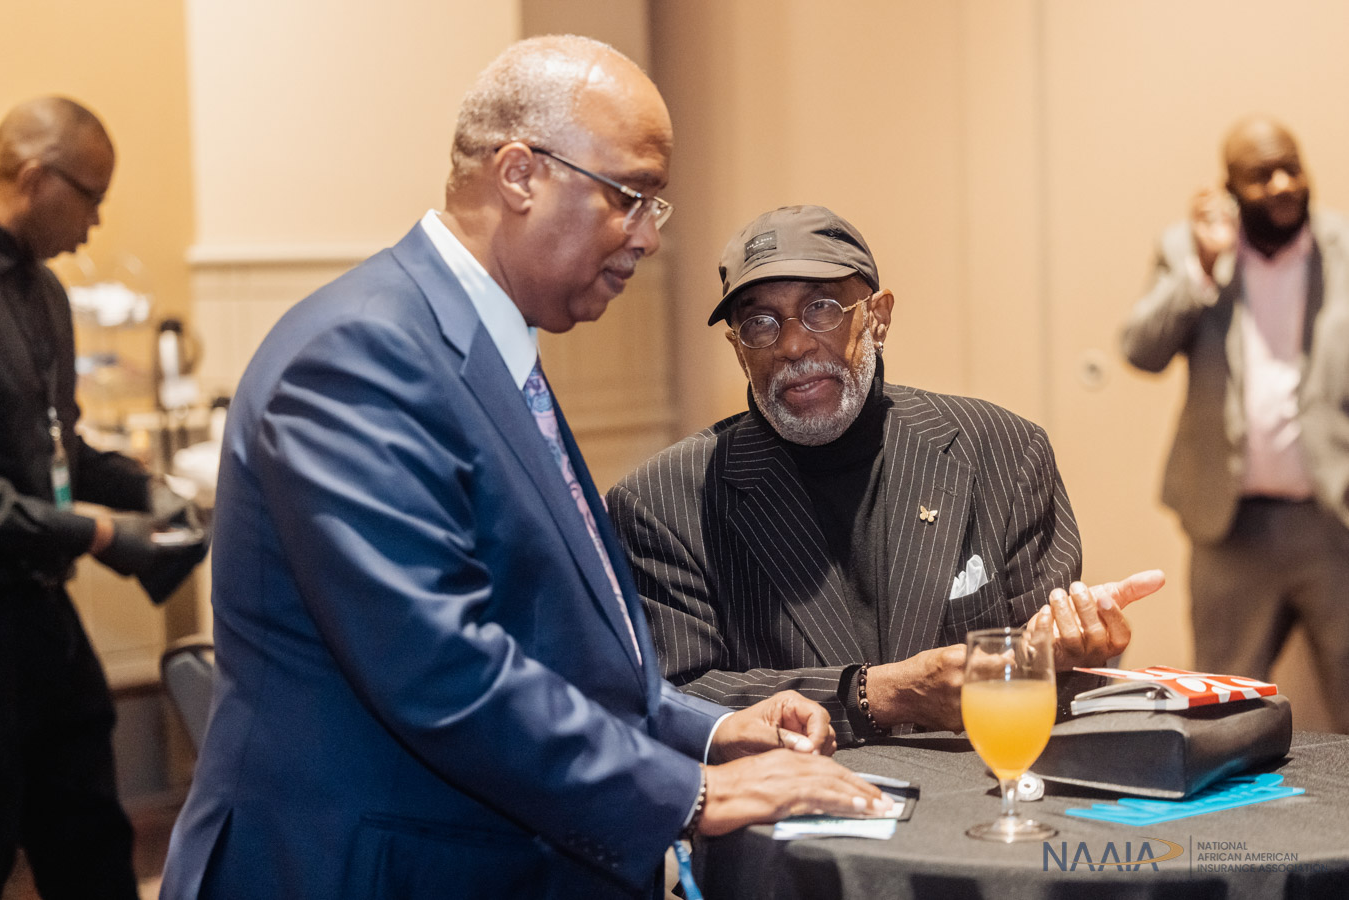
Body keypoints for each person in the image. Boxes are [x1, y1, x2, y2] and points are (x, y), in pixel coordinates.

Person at [159, 37, 892, 900]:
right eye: (632, 198)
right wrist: (694, 793)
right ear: (520, 175)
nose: (649, 238)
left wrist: (709, 729)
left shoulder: (487, 347)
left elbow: (551, 643)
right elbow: (439, 667)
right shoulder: (359, 355)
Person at [607, 204, 1163, 746]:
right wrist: (878, 694)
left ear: (878, 316)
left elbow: (1053, 685)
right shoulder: (663, 500)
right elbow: (673, 700)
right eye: (760, 323)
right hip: (797, 797)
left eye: (822, 308)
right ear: (738, 349)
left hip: (984, 791)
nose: (793, 344)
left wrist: (1075, 647)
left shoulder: (1004, 452)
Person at [0, 97, 207, 898]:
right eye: (91, 196)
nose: (96, 222)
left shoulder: (46, 296)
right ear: (34, 178)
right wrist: (97, 534)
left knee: (90, 841)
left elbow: (62, 449)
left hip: (45, 622)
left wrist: (147, 491)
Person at [1122, 116, 1349, 733]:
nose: (1282, 185)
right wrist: (1201, 265)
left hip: (1333, 523)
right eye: (1261, 175)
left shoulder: (1340, 246)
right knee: (1223, 715)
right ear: (1229, 187)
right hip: (1228, 527)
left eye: (1291, 168)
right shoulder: (1190, 247)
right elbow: (1141, 350)